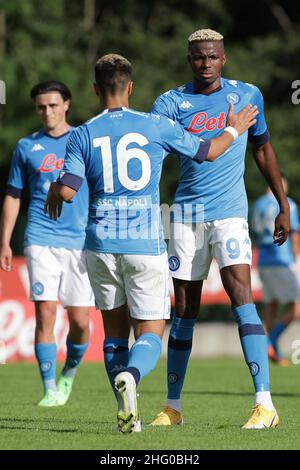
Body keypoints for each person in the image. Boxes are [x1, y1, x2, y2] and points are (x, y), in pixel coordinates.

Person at [44, 54, 257, 433]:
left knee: (113, 333)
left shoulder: (81, 133)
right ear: (131, 87)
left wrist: (54, 191)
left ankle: (129, 416)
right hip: (143, 243)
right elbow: (208, 152)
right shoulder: (155, 125)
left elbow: (69, 191)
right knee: (151, 333)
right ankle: (134, 377)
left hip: (101, 245)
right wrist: (235, 128)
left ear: (95, 90)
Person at [150, 28, 290, 429]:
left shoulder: (248, 95)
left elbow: (263, 148)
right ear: (189, 58)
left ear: (223, 58)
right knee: (184, 308)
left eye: (212, 57)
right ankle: (172, 407)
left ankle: (264, 403)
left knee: (240, 294)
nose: (205, 63)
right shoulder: (170, 103)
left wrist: (283, 205)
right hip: (185, 215)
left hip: (229, 212)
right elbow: (153, 157)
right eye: (198, 57)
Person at [0, 81, 94, 407]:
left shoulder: (84, 139)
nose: (47, 112)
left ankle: (69, 374)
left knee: (81, 322)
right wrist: (5, 241)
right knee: (46, 313)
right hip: (39, 238)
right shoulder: (27, 147)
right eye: (41, 106)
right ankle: (49, 389)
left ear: (66, 105)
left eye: (53, 105)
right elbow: (14, 195)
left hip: (80, 242)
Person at [251, 179, 300, 365]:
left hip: (263, 260)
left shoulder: (257, 205)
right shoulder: (287, 203)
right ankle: (268, 343)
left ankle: (274, 354)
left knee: (270, 307)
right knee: (296, 307)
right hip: (282, 260)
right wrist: (297, 259)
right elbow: (293, 232)